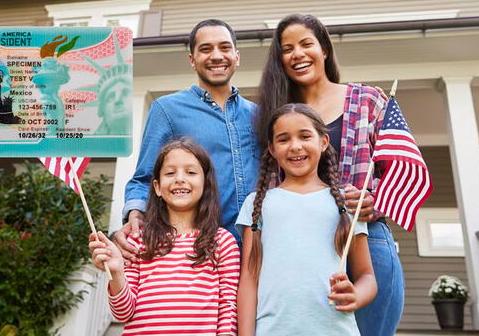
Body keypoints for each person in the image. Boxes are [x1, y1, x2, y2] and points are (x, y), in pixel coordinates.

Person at [255, 13, 406, 336]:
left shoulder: (368, 100)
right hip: (302, 248)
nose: (298, 54)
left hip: (365, 240)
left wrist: (373, 199)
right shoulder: (279, 115)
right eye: (287, 48)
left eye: (307, 43)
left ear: (324, 49)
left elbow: (397, 170)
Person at [113, 19, 259, 263]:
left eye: (224, 48)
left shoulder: (259, 115)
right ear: (192, 60)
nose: (216, 56)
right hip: (198, 254)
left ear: (237, 56)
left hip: (256, 251)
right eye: (205, 49)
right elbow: (145, 178)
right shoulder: (167, 110)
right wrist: (135, 214)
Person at [236, 103, 377, 335]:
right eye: (283, 139)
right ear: (272, 149)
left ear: (323, 142)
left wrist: (356, 295)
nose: (295, 146)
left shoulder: (347, 202)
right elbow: (249, 279)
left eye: (304, 136)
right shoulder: (256, 204)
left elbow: (367, 277)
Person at [89, 139, 240, 336]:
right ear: (158, 187)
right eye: (170, 173)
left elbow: (228, 308)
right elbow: (122, 313)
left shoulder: (223, 242)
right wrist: (116, 273)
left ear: (205, 184)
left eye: (191, 172)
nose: (179, 178)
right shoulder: (138, 241)